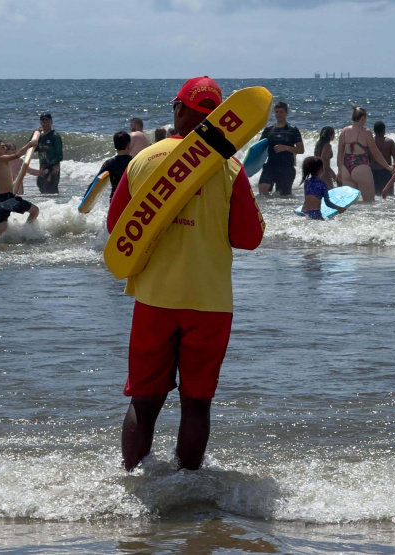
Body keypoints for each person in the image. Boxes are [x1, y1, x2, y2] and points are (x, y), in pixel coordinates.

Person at [106, 76, 264, 472]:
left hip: (155, 299)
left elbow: (116, 227)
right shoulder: (230, 168)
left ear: (178, 110)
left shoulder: (144, 159)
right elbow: (249, 238)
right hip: (209, 303)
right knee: (196, 402)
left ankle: (135, 486)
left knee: (144, 400)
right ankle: (188, 490)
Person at [338, 106, 393, 202]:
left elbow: (340, 153)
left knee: (349, 204)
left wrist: (339, 171)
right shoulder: (366, 132)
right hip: (361, 167)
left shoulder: (344, 131)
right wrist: (388, 167)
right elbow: (375, 153)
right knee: (369, 202)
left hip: (346, 168)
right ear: (362, 118)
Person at [0, 138, 40, 237]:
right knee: (35, 211)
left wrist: (20, 175)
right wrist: (30, 144)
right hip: (7, 199)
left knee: (2, 230)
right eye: (2, 147)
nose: (5, 148)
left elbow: (9, 185)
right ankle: (25, 232)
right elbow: (17, 155)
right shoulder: (1, 159)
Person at [257, 101, 304, 197]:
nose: (279, 114)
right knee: (262, 191)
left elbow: (300, 149)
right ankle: (267, 211)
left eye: (281, 112)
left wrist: (286, 148)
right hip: (270, 165)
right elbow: (259, 147)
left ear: (286, 113)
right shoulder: (268, 130)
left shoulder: (292, 130)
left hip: (286, 167)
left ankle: (281, 211)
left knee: (284, 196)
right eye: (277, 112)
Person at [94, 131, 131, 197]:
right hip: (130, 199)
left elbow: (95, 183)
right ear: (128, 145)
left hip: (115, 200)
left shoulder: (109, 163)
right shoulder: (133, 161)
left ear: (115, 146)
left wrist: (84, 200)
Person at [34, 113, 63, 194]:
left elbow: (59, 156)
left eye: (47, 121)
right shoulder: (40, 136)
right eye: (43, 121)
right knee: (40, 186)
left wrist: (48, 167)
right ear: (40, 123)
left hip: (52, 169)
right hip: (42, 168)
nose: (45, 123)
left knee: (50, 189)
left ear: (51, 122)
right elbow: (31, 147)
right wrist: (35, 134)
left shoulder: (55, 136)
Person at [370, 121, 395, 197]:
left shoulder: (370, 142)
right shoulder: (389, 142)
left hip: (373, 172)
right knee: (389, 196)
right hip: (387, 172)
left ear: (374, 131)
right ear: (384, 130)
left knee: (375, 196)